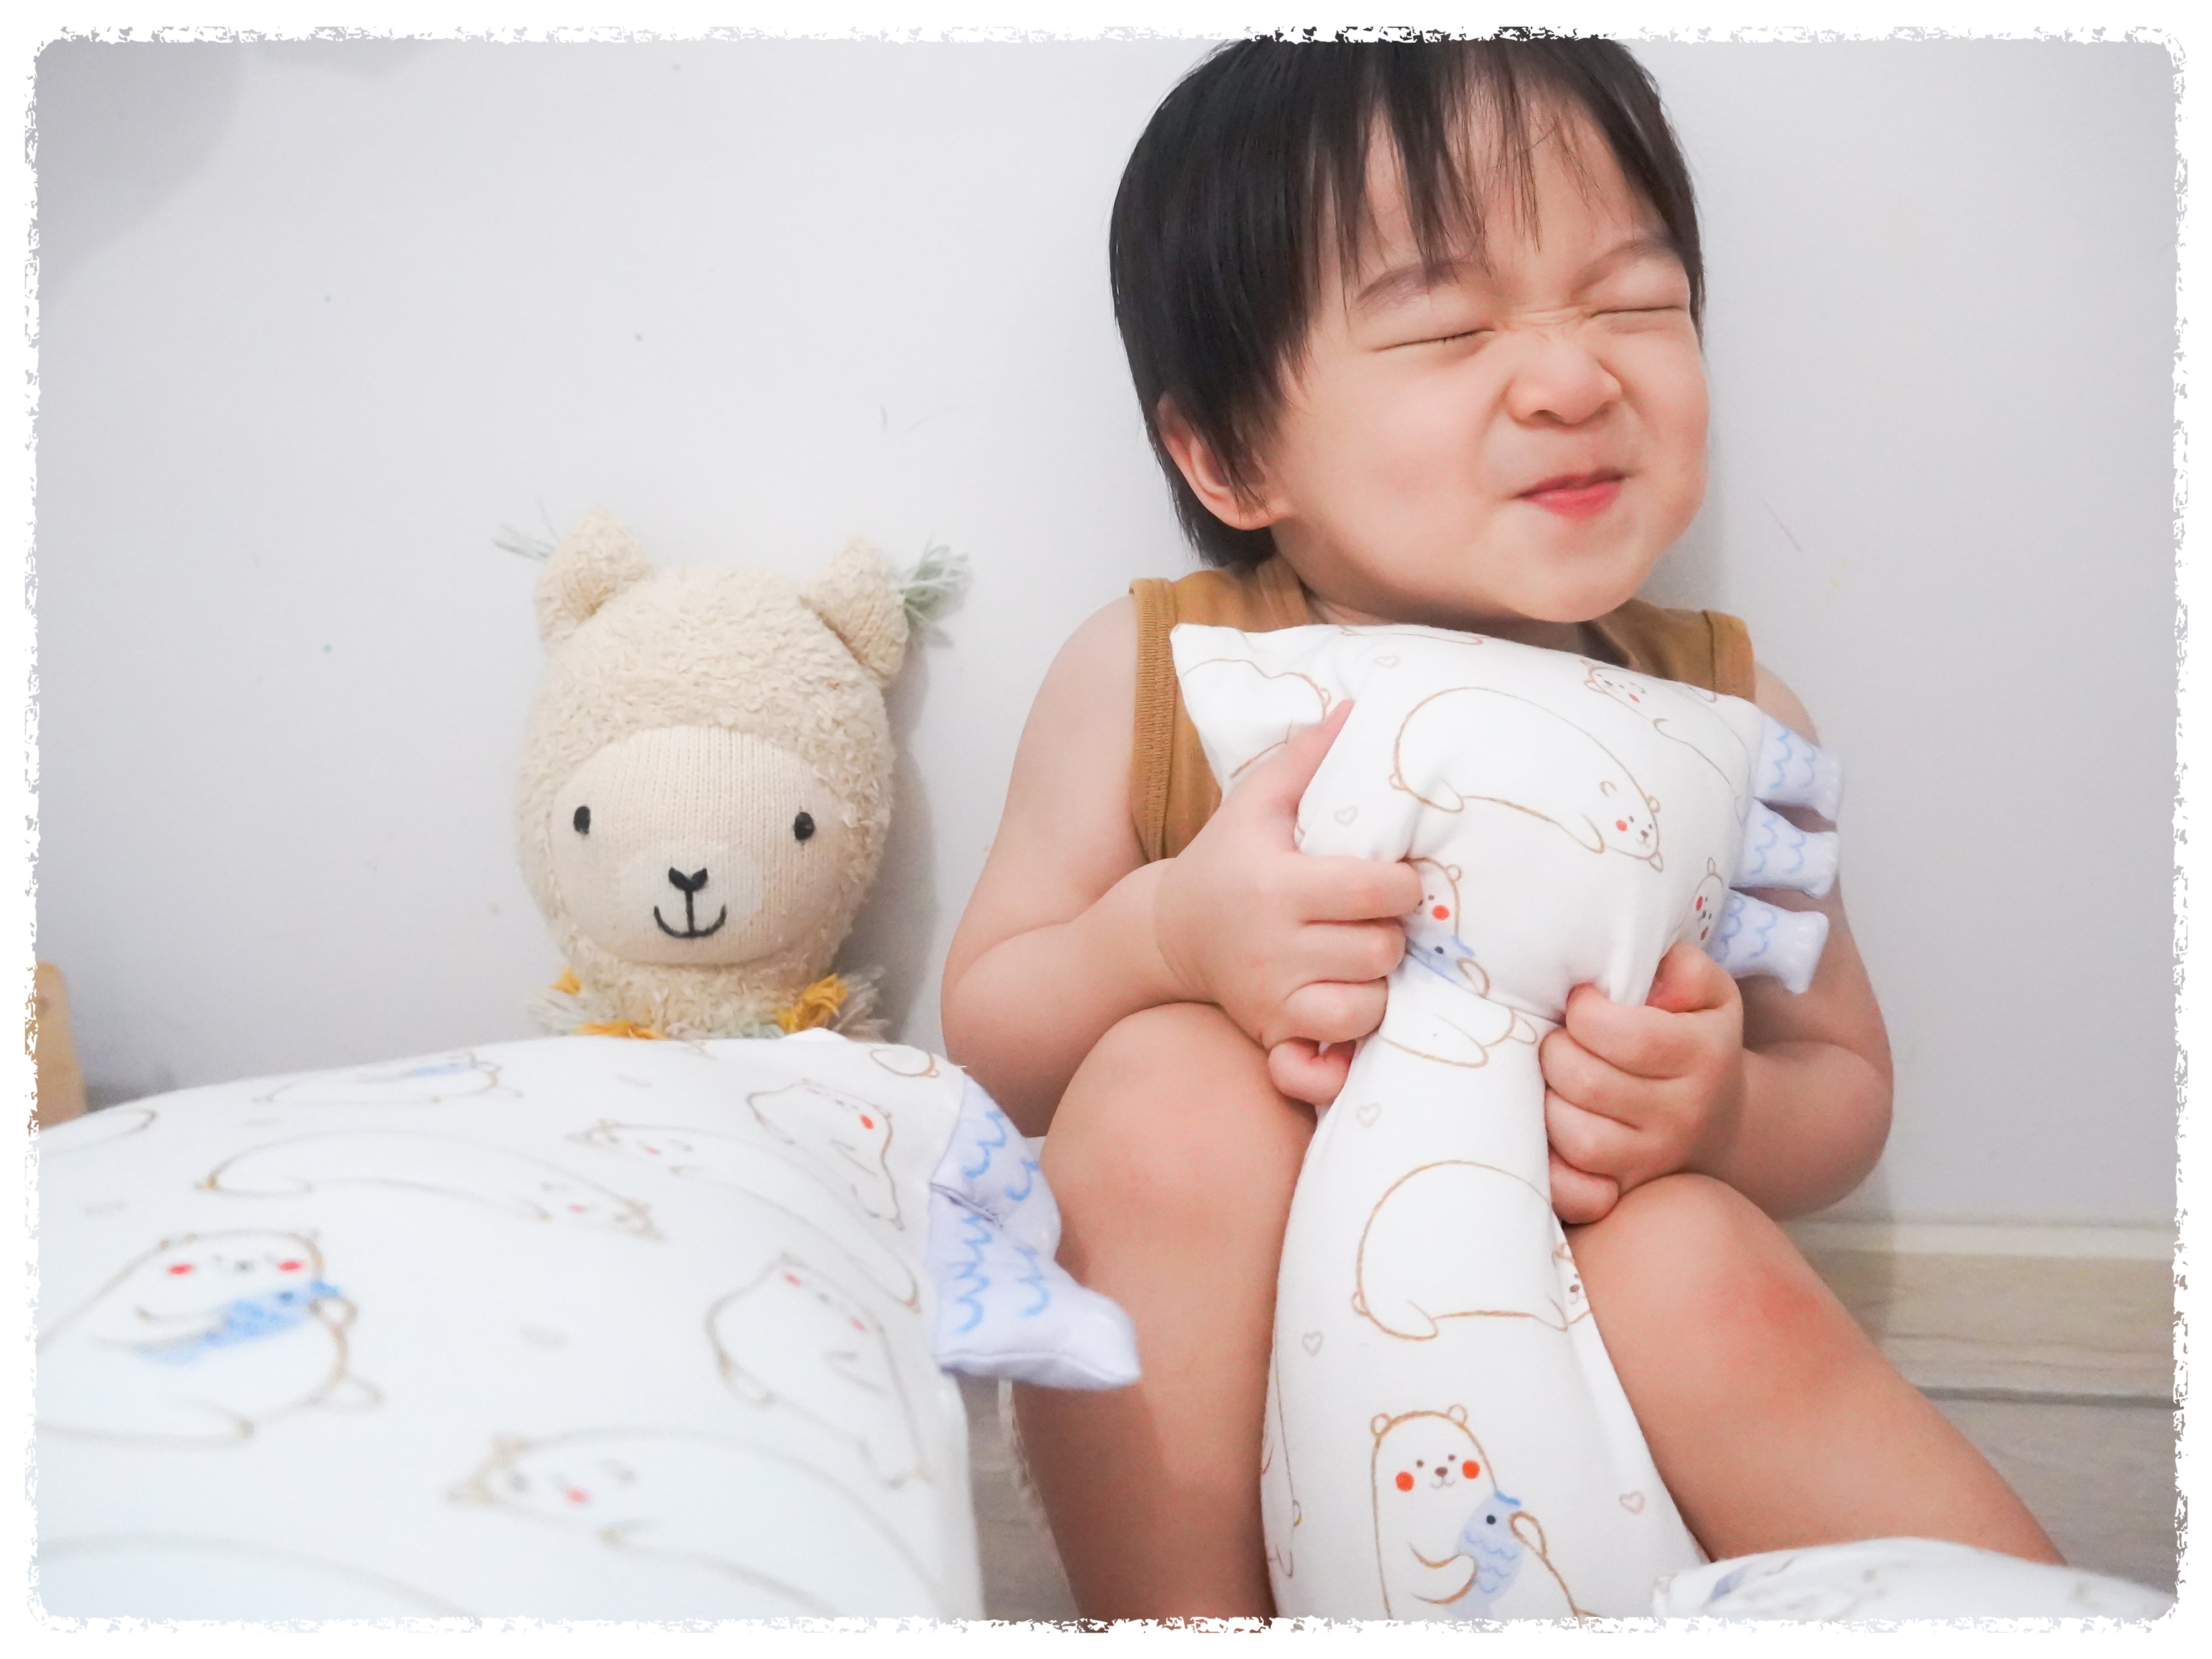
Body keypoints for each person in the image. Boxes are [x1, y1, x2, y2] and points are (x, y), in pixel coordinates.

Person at [940, 38, 2060, 1619]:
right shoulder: (1163, 678)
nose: (1571, 376)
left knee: (1695, 1262)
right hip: (1253, 1384)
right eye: (1451, 325)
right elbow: (988, 1043)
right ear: (1230, 452)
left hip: (1594, 1344)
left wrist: (1720, 1113)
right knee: (1159, 1095)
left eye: (1632, 302)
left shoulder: (1736, 720)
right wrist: (1170, 935)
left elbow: (1846, 1080)